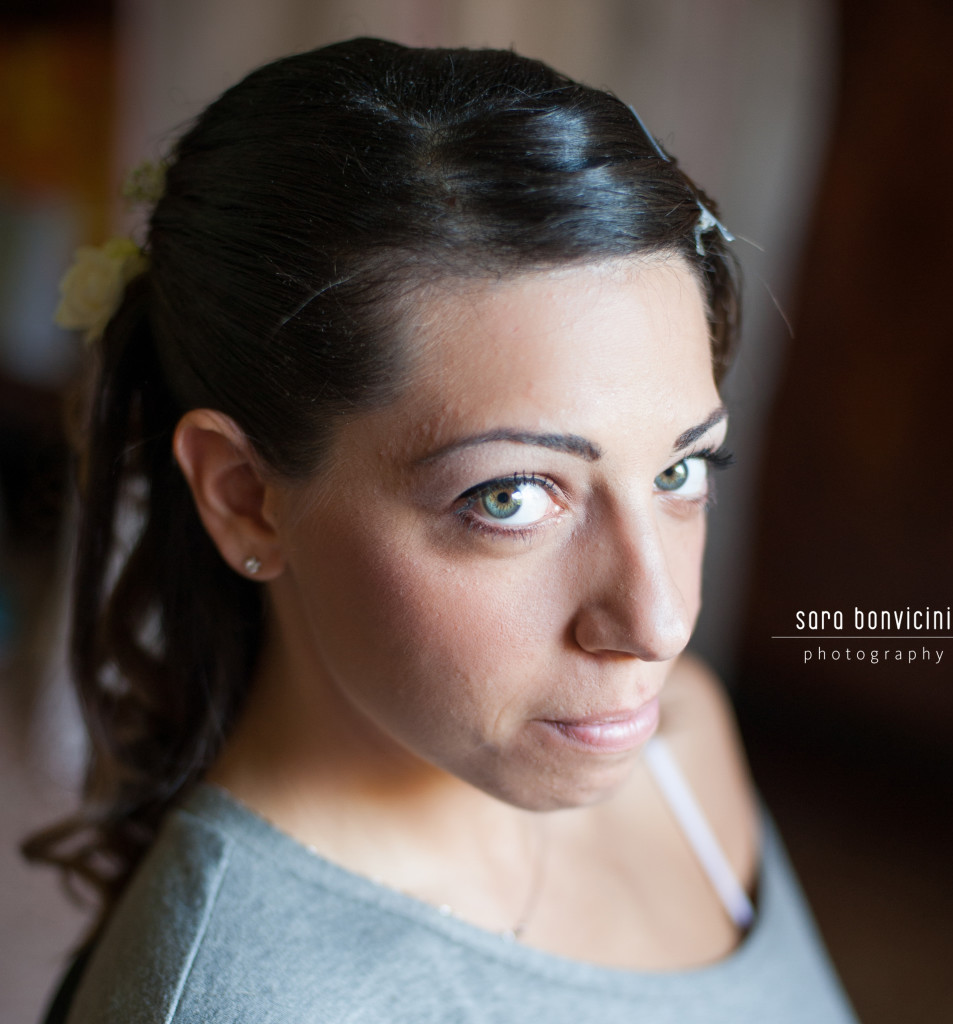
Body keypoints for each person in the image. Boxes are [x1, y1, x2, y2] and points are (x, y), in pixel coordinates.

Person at [30, 37, 857, 1022]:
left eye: (680, 471)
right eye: (510, 497)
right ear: (245, 495)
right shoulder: (233, 1000)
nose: (659, 624)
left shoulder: (679, 738)